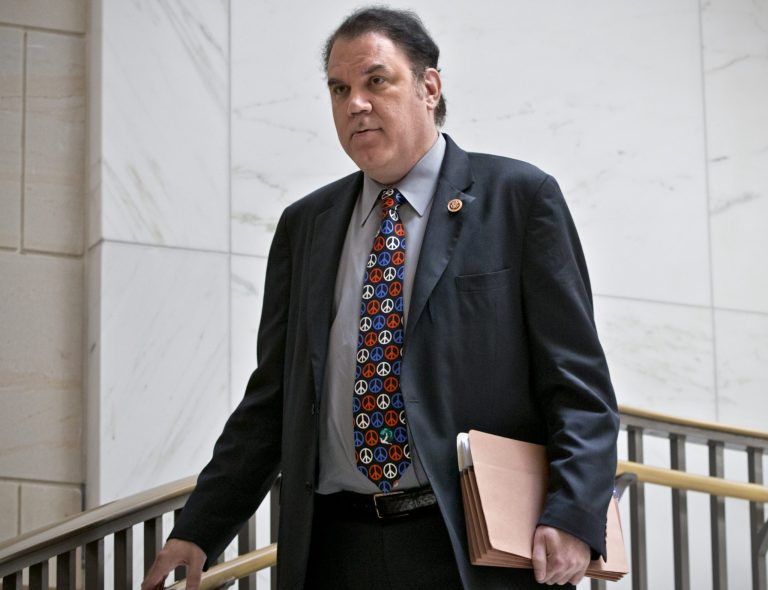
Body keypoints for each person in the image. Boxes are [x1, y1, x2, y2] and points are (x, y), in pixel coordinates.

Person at [142, 7, 619, 590]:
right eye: (339, 89)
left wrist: (572, 513)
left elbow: (578, 384)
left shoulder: (519, 200)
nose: (355, 104)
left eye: (376, 81)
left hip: (467, 547)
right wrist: (199, 528)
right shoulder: (306, 226)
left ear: (429, 86)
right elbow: (274, 400)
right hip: (336, 550)